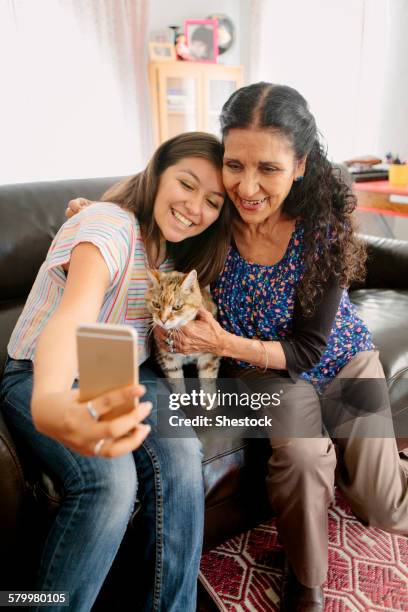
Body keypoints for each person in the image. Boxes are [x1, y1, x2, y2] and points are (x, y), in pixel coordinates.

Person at [154, 83, 408, 611]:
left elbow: (310, 350)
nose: (246, 186)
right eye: (234, 164)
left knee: (383, 507)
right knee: (302, 452)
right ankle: (306, 583)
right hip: (259, 369)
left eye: (267, 169)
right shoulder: (215, 211)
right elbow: (153, 198)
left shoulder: (323, 225)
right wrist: (99, 211)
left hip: (339, 357)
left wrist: (219, 338)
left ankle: (385, 466)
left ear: (300, 165)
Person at [0, 132, 231, 612]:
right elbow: (75, 313)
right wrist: (51, 399)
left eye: (212, 201)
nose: (195, 207)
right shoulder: (106, 224)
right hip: (40, 369)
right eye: (186, 184)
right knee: (112, 481)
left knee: (183, 455)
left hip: (117, 370)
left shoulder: (175, 254)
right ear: (157, 172)